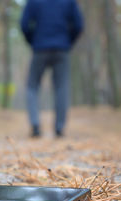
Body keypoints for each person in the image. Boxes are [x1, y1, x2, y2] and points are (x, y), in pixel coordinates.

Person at [20, 0, 84, 137]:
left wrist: (33, 41)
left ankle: (35, 124)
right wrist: (67, 42)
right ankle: (59, 128)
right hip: (62, 48)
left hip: (40, 48)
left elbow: (24, 24)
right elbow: (78, 25)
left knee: (32, 86)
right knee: (61, 88)